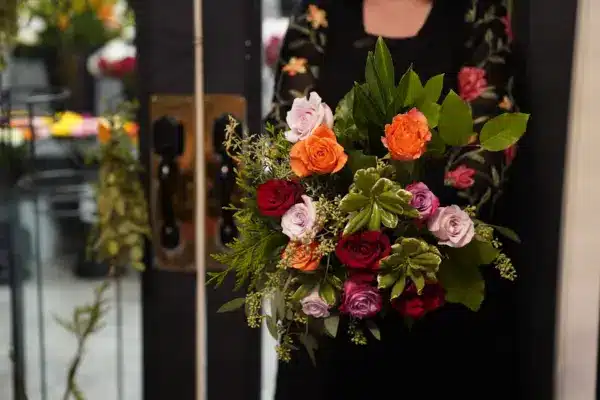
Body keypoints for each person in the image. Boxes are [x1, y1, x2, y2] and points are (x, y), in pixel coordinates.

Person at [266, 1, 519, 399]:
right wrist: (333, 235)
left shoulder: (476, 12)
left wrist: (408, 240)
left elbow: (488, 148)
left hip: (440, 295)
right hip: (330, 291)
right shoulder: (321, 10)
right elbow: (285, 132)